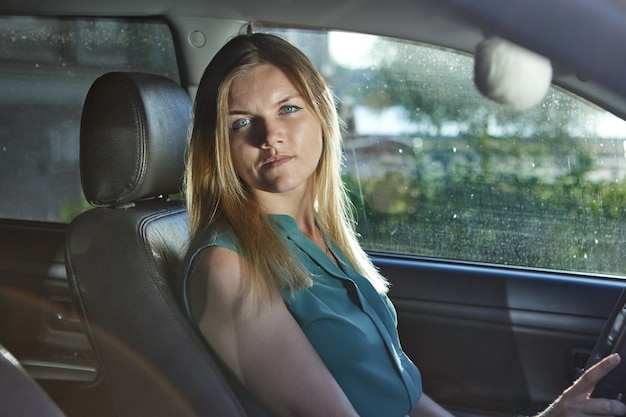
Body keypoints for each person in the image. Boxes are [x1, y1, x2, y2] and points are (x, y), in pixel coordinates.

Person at [181, 32, 626, 417]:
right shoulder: (228, 263)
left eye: (288, 109)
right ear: (220, 145)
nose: (270, 135)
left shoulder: (322, 236)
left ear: (321, 115)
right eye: (242, 122)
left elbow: (406, 400)